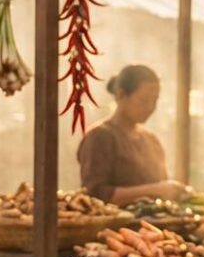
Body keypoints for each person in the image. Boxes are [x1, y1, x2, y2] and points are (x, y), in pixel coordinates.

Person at [78, 65, 187, 206]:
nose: (150, 107)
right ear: (121, 96)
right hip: (114, 220)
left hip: (153, 219)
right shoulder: (100, 137)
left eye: (155, 101)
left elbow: (163, 187)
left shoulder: (151, 139)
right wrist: (155, 190)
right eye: (144, 100)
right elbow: (95, 193)